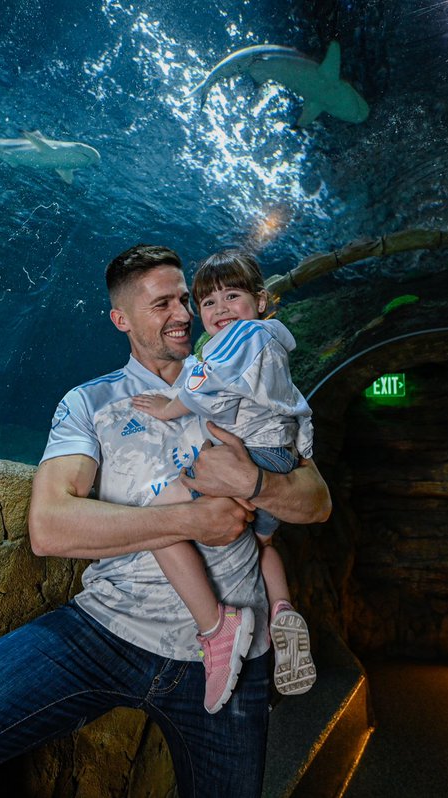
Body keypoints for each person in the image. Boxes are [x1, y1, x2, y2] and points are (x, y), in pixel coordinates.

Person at [0, 243, 331, 798]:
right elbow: (51, 526)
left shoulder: (248, 386)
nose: (182, 315)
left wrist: (253, 483)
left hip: (232, 658)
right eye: (163, 305)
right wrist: (195, 519)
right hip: (107, 630)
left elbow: (315, 502)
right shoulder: (90, 402)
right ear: (121, 318)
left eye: (185, 298)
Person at [132, 249, 317, 712]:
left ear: (260, 300)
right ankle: (282, 609)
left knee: (159, 515)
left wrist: (169, 406)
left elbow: (208, 385)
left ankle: (216, 628)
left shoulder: (242, 337)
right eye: (209, 303)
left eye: (232, 296)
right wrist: (300, 455)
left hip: (253, 454)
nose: (220, 310)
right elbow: (298, 406)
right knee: (264, 546)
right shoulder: (271, 341)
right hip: (279, 456)